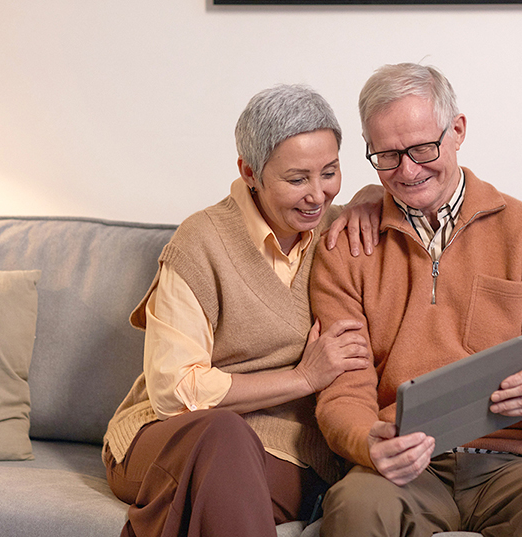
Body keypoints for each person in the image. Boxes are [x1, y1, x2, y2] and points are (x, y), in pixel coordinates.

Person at [310, 63, 522, 537]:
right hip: (408, 465)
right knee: (354, 508)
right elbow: (344, 390)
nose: (407, 170)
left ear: (458, 131)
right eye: (386, 155)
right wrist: (369, 442)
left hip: (518, 463)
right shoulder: (347, 247)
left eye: (423, 148)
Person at [102, 84, 382, 537]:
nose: (318, 194)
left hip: (288, 454)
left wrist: (374, 196)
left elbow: (413, 195)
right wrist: (303, 379)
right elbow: (175, 391)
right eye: (297, 179)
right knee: (224, 434)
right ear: (249, 172)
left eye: (329, 172)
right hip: (168, 439)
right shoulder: (200, 243)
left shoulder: (342, 231)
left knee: (225, 475)